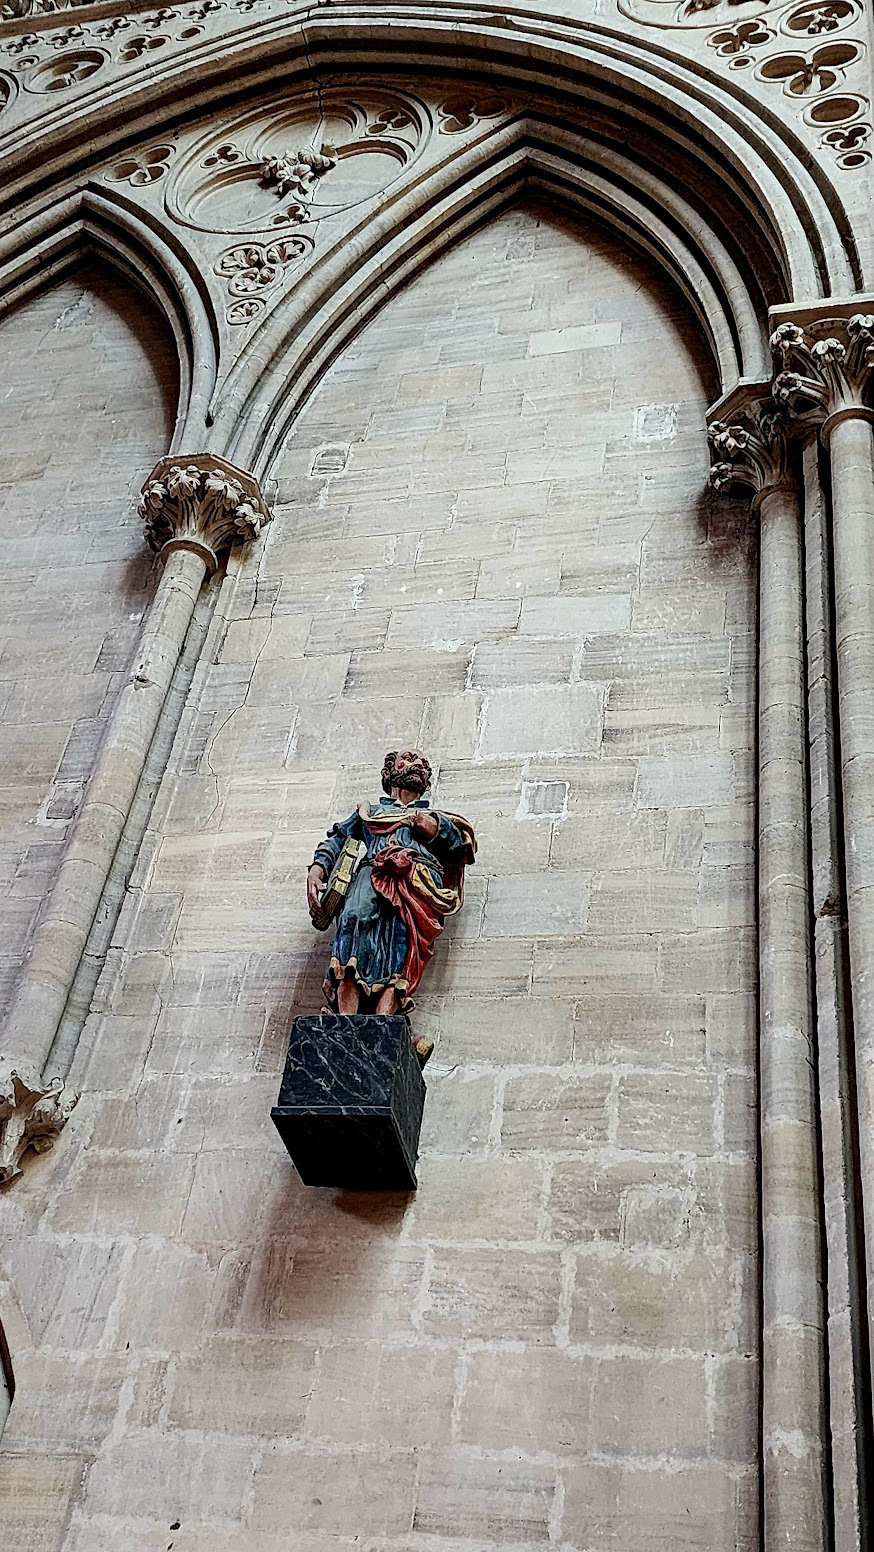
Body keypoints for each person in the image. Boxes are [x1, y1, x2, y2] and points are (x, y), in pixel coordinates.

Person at [307, 750, 476, 1057]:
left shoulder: (434, 817)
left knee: (402, 945)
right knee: (354, 924)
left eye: (422, 764)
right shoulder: (369, 812)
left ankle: (385, 1023)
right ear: (390, 771)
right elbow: (338, 838)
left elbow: (459, 846)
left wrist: (433, 829)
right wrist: (317, 870)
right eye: (408, 759)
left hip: (415, 885)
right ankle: (345, 1019)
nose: (417, 765)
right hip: (371, 875)